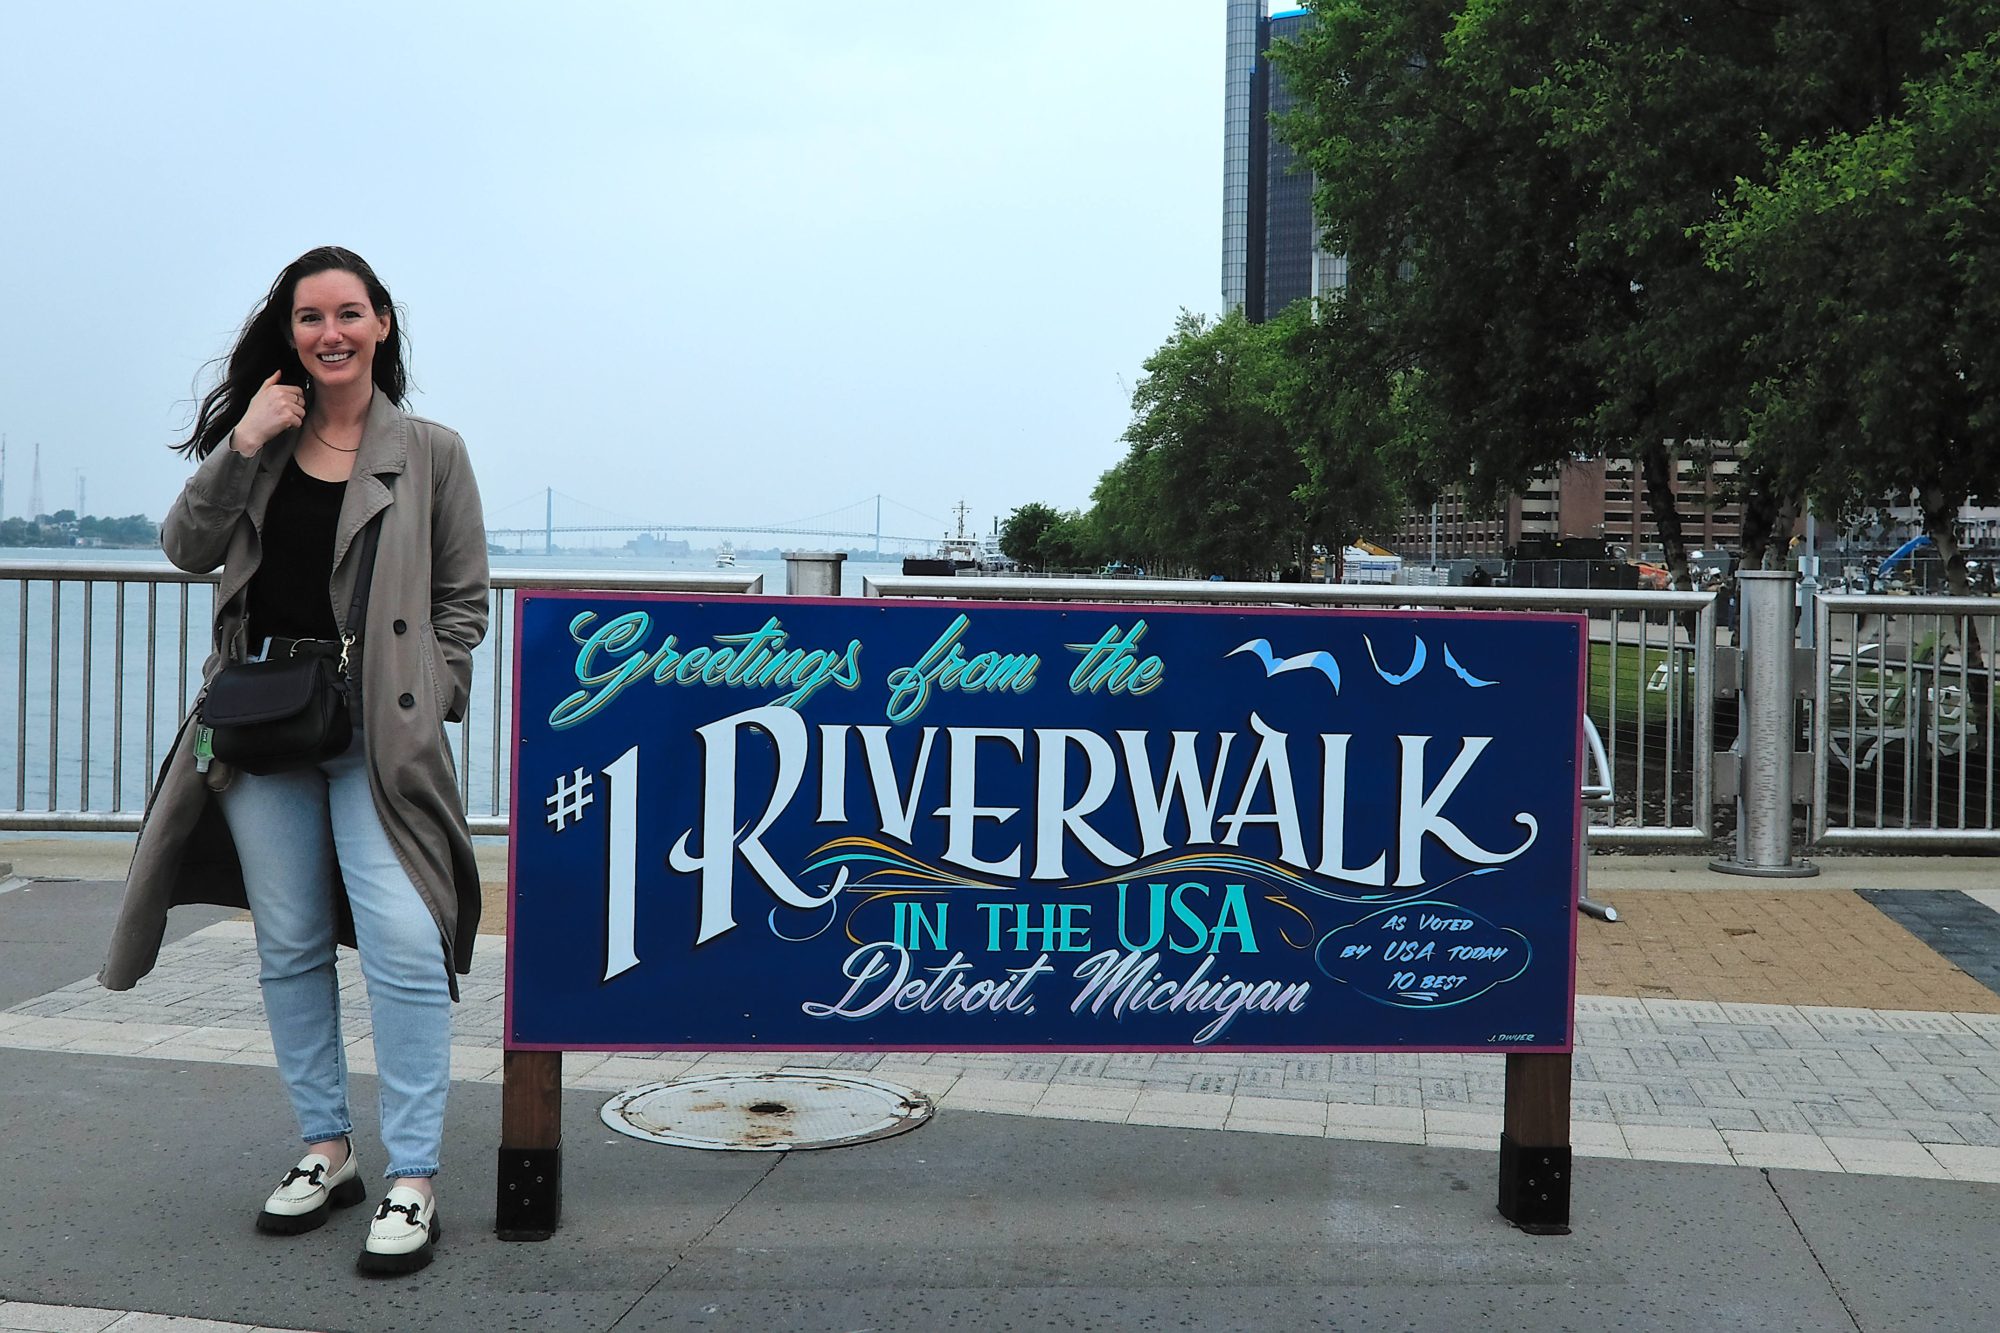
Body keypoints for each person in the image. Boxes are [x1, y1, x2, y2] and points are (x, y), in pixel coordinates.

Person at [102, 246, 489, 1276]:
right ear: (291, 334)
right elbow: (186, 545)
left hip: (374, 733)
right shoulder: (264, 443)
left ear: (382, 326)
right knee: (288, 940)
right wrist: (240, 442)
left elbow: (462, 603)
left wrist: (429, 695)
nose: (331, 332)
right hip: (263, 722)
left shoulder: (432, 452)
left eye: (349, 314)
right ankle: (326, 1148)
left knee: (406, 940)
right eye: (310, 317)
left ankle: (413, 1174)